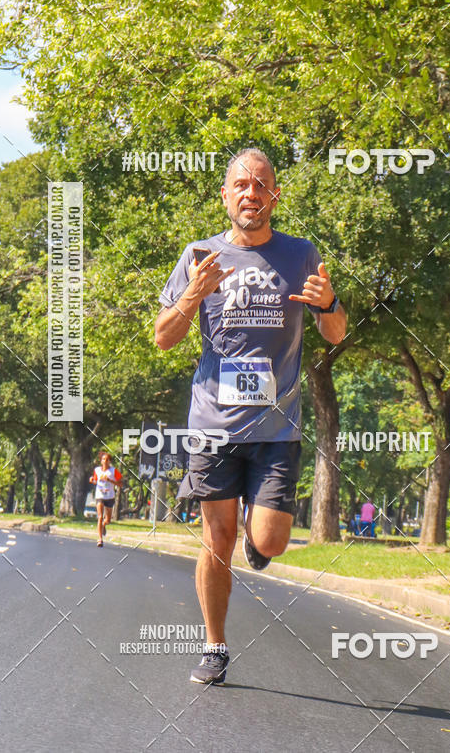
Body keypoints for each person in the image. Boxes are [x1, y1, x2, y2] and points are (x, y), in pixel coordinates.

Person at [155, 148, 346, 685]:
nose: (251, 193)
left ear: (274, 196)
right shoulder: (198, 254)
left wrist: (329, 304)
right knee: (216, 540)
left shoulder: (301, 254)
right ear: (225, 195)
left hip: (277, 426)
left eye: (261, 185)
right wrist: (193, 292)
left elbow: (335, 333)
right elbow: (163, 337)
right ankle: (214, 647)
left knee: (270, 541)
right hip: (213, 425)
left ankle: (257, 545)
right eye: (241, 184)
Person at [89, 452, 122, 547]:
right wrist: (92, 480)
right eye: (104, 459)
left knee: (107, 520)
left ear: (109, 461)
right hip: (99, 496)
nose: (105, 461)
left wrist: (110, 480)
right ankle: (100, 539)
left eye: (107, 460)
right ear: (101, 460)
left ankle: (104, 524)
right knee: (99, 516)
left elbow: (120, 484)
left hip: (109, 496)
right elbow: (95, 481)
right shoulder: (97, 470)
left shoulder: (113, 471)